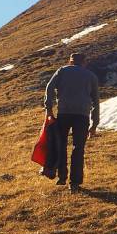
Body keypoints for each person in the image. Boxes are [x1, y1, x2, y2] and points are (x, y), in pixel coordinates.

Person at [44, 52, 100, 193]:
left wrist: (48, 109)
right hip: (82, 115)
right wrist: (94, 124)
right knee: (78, 148)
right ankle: (74, 183)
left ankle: (62, 176)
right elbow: (96, 102)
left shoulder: (62, 71)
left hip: (64, 113)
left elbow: (49, 88)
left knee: (61, 145)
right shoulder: (91, 76)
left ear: (70, 61)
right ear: (84, 62)